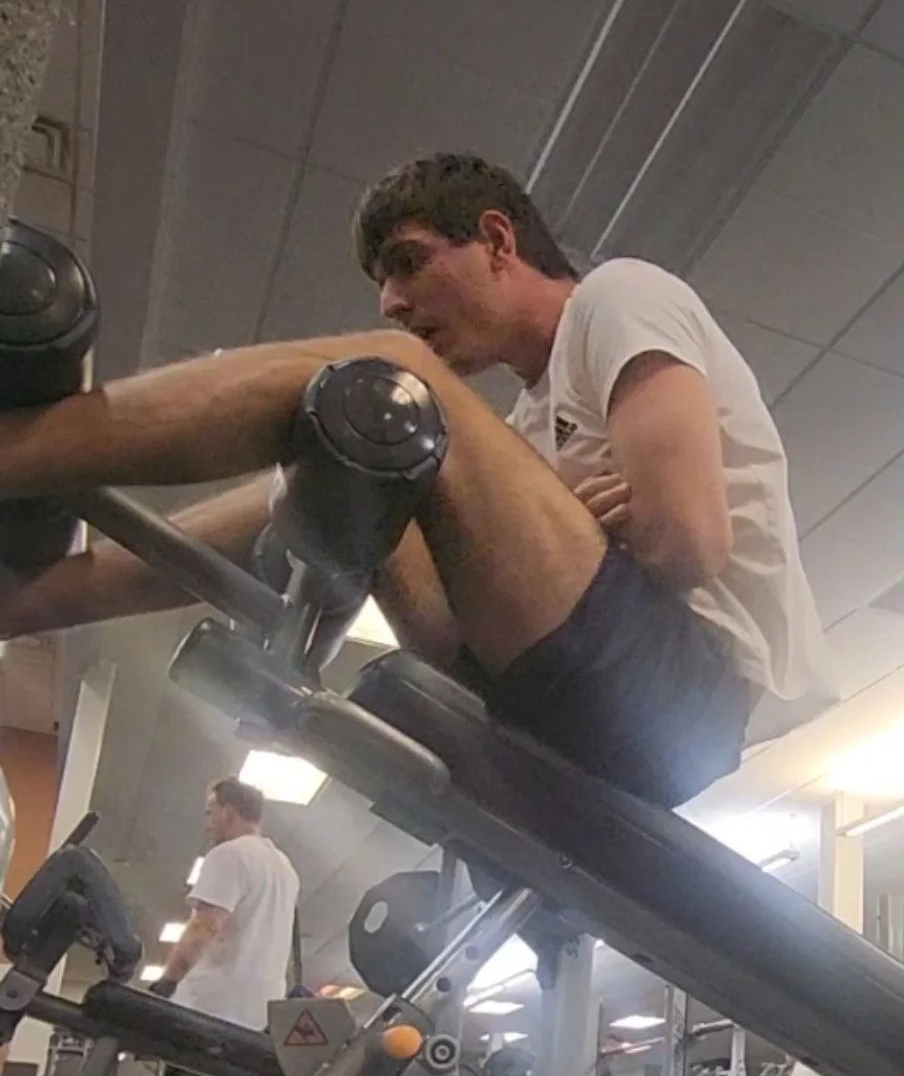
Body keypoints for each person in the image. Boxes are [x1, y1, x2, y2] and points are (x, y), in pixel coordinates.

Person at [0, 154, 834, 809]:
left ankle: (19, 452)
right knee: (362, 446)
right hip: (560, 709)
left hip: (689, 698)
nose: (394, 300)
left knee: (393, 380)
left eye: (409, 263)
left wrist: (600, 521)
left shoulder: (618, 298)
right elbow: (443, 637)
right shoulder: (526, 429)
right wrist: (577, 513)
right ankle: (32, 601)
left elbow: (687, 543)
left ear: (498, 241)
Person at [143, 775, 300, 1076]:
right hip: (257, 1008)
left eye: (210, 812)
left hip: (215, 1002)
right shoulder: (284, 867)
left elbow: (205, 926)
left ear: (229, 810)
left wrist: (167, 981)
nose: (208, 822)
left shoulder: (229, 855)